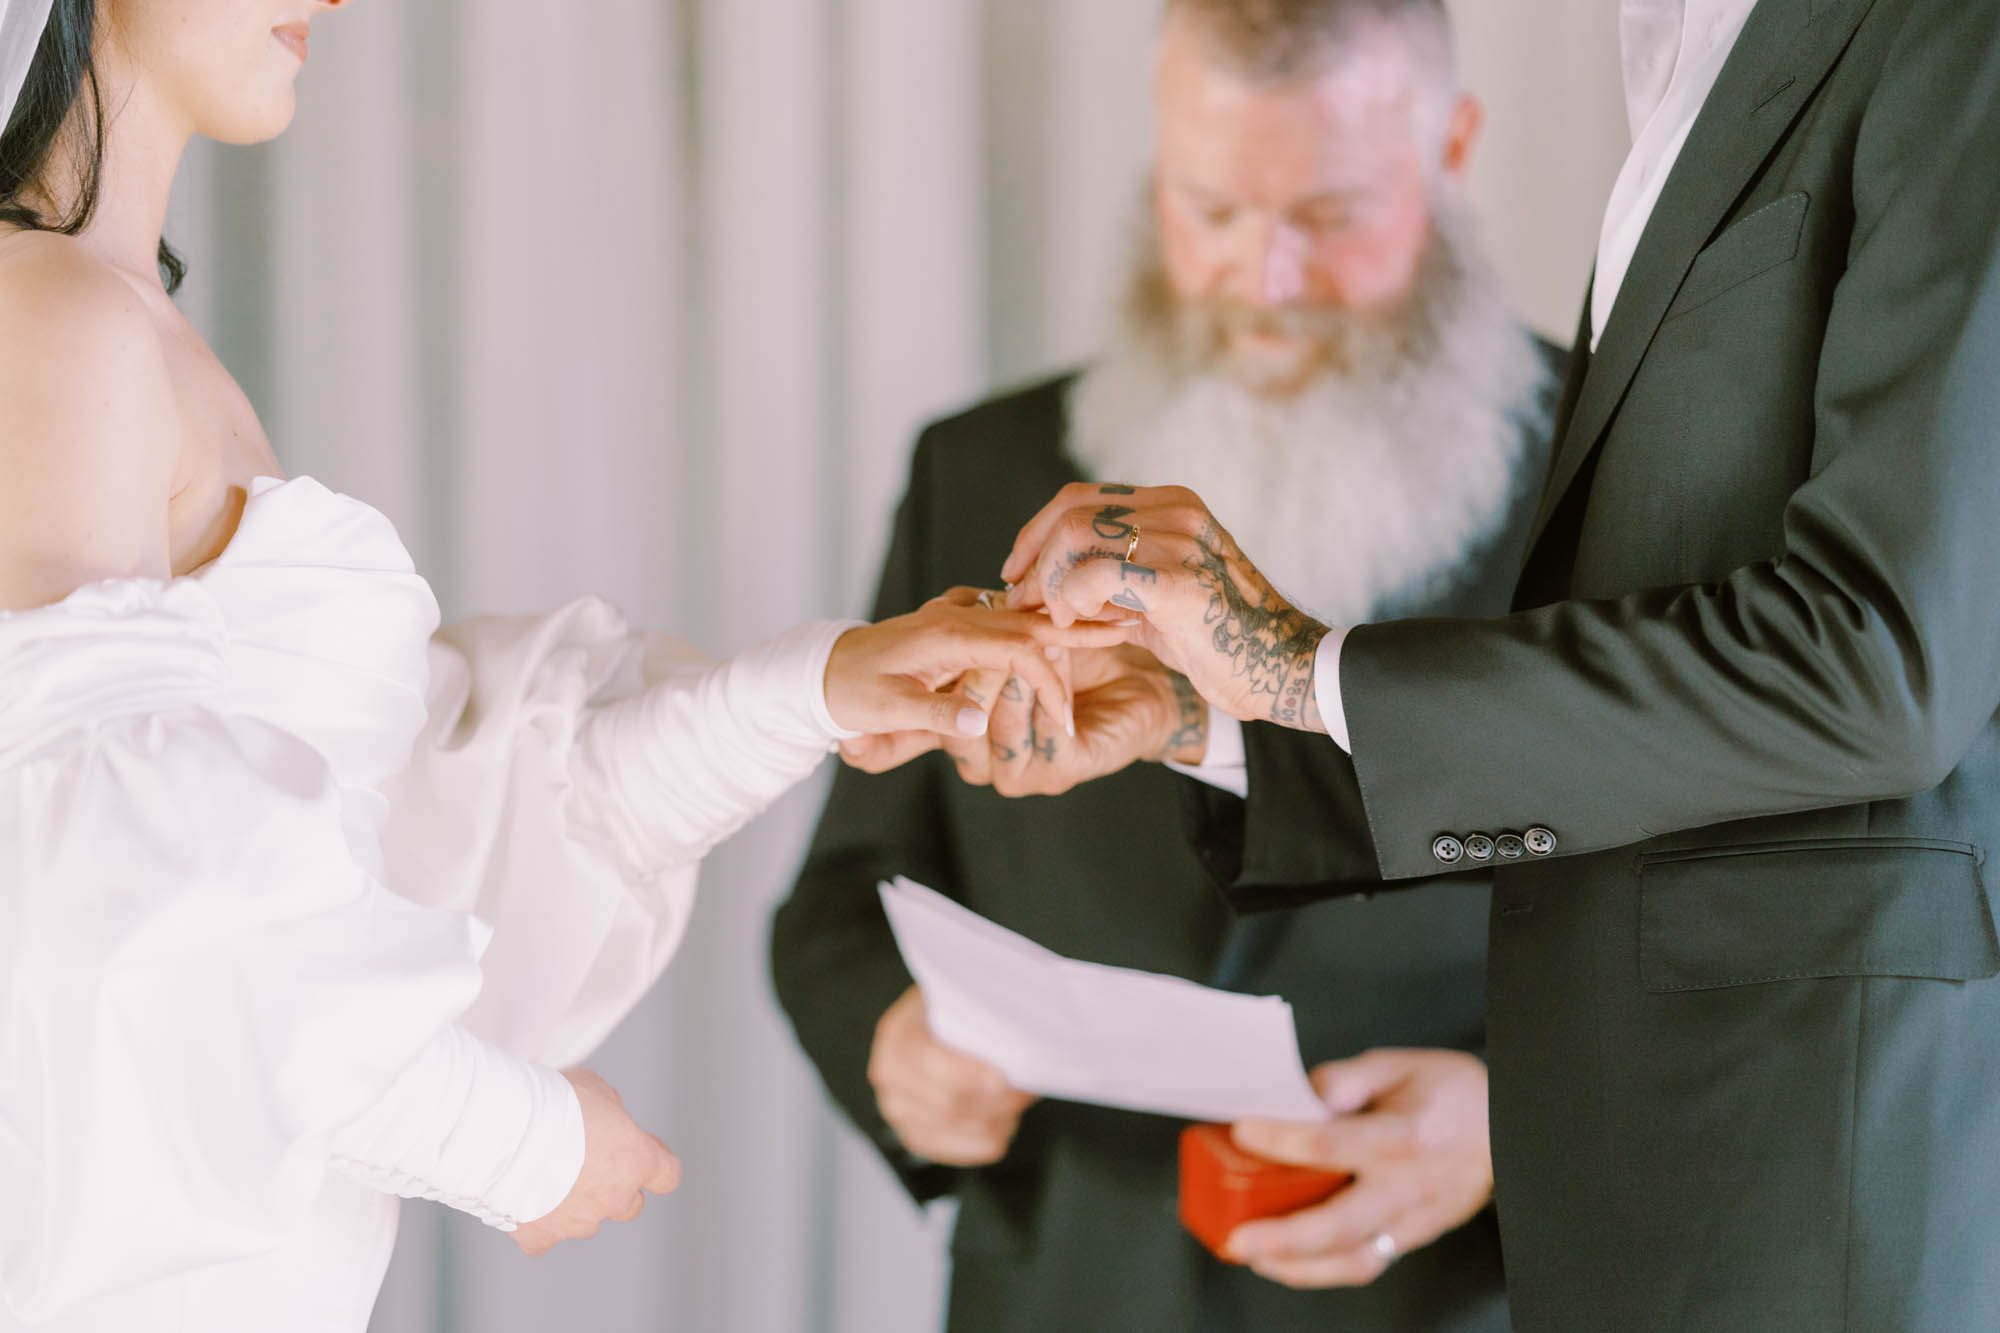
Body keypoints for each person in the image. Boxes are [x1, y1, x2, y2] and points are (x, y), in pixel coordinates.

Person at [0, 3, 1116, 1330]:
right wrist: (513, 1140)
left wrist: (814, 691)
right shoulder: (56, 318)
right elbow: (95, 870)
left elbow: (424, 828)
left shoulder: (116, 329)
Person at [989, 0, 2000, 1327]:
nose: (1266, 276)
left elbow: (1886, 664)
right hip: (1656, 1189)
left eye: (1328, 212)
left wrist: (1293, 665)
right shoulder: (1690, 52)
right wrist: (1208, 716)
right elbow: (1652, 713)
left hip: (1818, 1181)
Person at [771, 2, 1560, 1328]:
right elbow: (841, 899)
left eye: (1328, 215)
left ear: (1453, 149)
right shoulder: (979, 470)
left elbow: (1733, 943)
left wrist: (1515, 1127)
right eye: (1211, 209)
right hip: (1067, 1283)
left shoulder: (1609, 483)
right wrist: (890, 1040)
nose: (1264, 281)